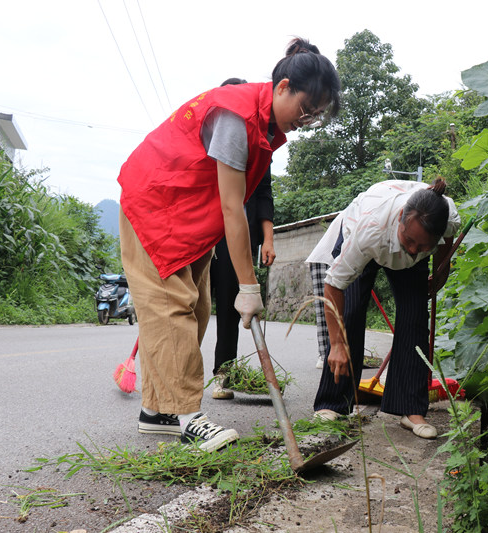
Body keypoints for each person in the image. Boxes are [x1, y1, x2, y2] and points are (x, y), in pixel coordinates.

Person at [118, 38, 340, 452]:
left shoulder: (263, 125)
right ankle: (186, 415)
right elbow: (233, 208)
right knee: (172, 309)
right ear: (283, 87)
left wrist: (244, 284)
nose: (306, 120)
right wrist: (249, 286)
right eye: (306, 109)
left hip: (186, 216)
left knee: (197, 307)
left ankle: (157, 412)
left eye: (315, 116)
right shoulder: (237, 116)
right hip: (155, 204)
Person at [307, 179, 460, 440]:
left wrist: (438, 275)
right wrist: (336, 344)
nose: (412, 250)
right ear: (401, 217)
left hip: (408, 241)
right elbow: (333, 286)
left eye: (422, 246)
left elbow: (445, 246)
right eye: (409, 240)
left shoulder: (448, 217)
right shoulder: (369, 229)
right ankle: (332, 403)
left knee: (414, 320)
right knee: (351, 314)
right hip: (366, 238)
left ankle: (411, 410)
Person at [208, 78, 277, 400]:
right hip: (204, 226)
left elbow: (263, 193)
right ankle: (177, 378)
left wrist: (268, 239)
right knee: (189, 305)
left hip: (236, 232)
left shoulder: (258, 141)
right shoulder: (213, 135)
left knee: (229, 302)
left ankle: (223, 372)